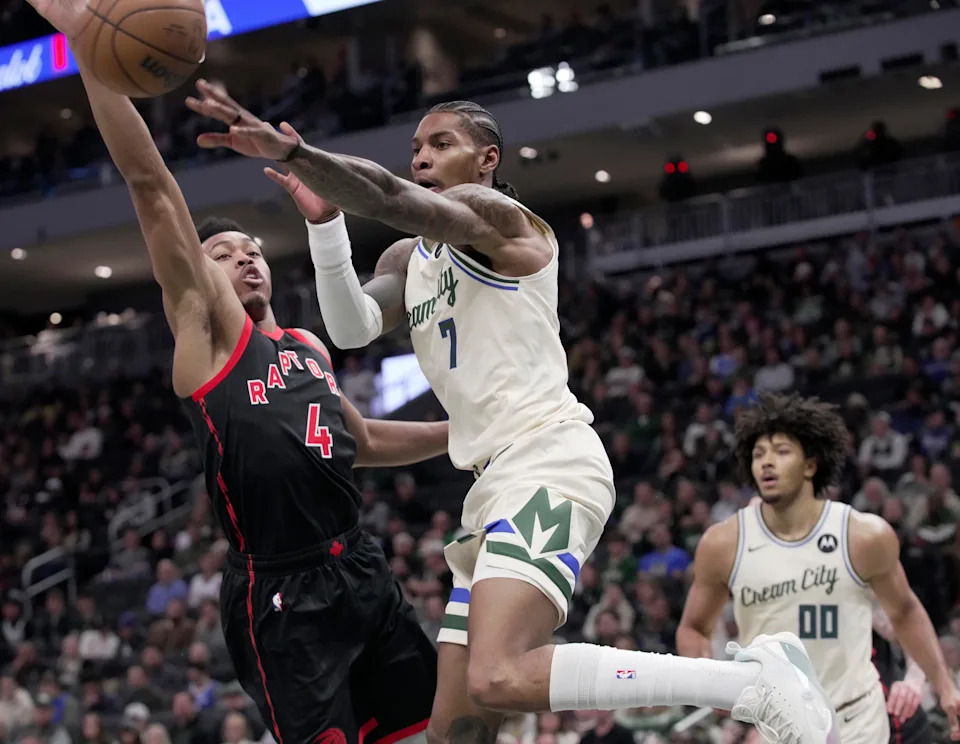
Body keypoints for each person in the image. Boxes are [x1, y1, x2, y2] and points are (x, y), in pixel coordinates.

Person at [187, 84, 838, 744]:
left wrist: (296, 152)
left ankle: (750, 684)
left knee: (498, 676)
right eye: (415, 147)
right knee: (457, 727)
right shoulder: (406, 258)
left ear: (486, 159)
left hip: (547, 458)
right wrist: (325, 225)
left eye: (442, 144)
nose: (422, 156)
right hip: (491, 483)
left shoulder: (501, 221)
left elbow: (387, 198)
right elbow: (350, 328)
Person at [24, 2, 447, 743]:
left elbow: (366, 444)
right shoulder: (207, 337)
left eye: (252, 247)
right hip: (280, 591)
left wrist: (468, 429)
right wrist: (85, 42)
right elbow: (151, 185)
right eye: (225, 253)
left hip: (362, 567)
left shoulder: (307, 350)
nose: (246, 255)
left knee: (432, 732)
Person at [677, 393, 960, 743]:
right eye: (758, 454)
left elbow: (905, 612)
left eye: (781, 452)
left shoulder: (863, 535)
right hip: (778, 724)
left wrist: (944, 686)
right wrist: (708, 680)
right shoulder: (722, 544)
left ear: (811, 465)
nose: (766, 463)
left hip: (857, 717)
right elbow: (694, 627)